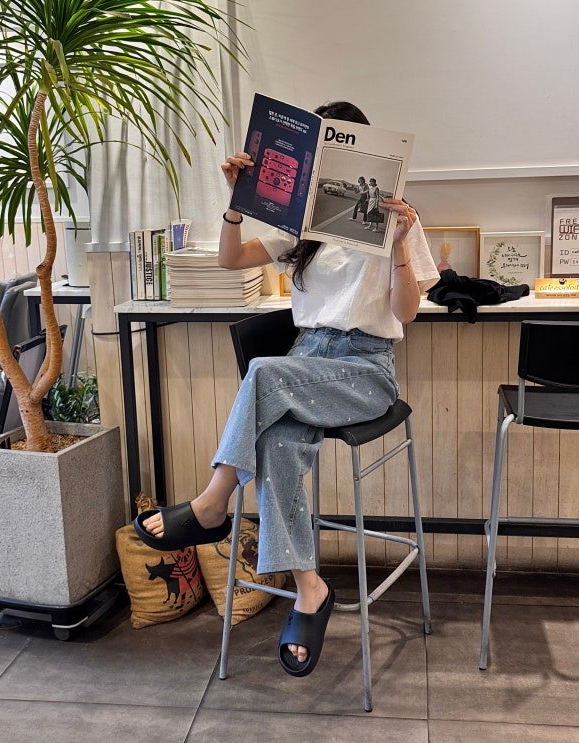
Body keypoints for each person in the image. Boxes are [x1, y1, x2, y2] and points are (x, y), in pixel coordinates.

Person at [134, 101, 440, 678]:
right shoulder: (303, 225)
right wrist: (237, 200)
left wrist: (399, 243)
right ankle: (309, 588)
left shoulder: (401, 220)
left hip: (364, 370)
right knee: (274, 445)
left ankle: (212, 503)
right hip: (306, 362)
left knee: (262, 372)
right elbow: (230, 259)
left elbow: (407, 313)